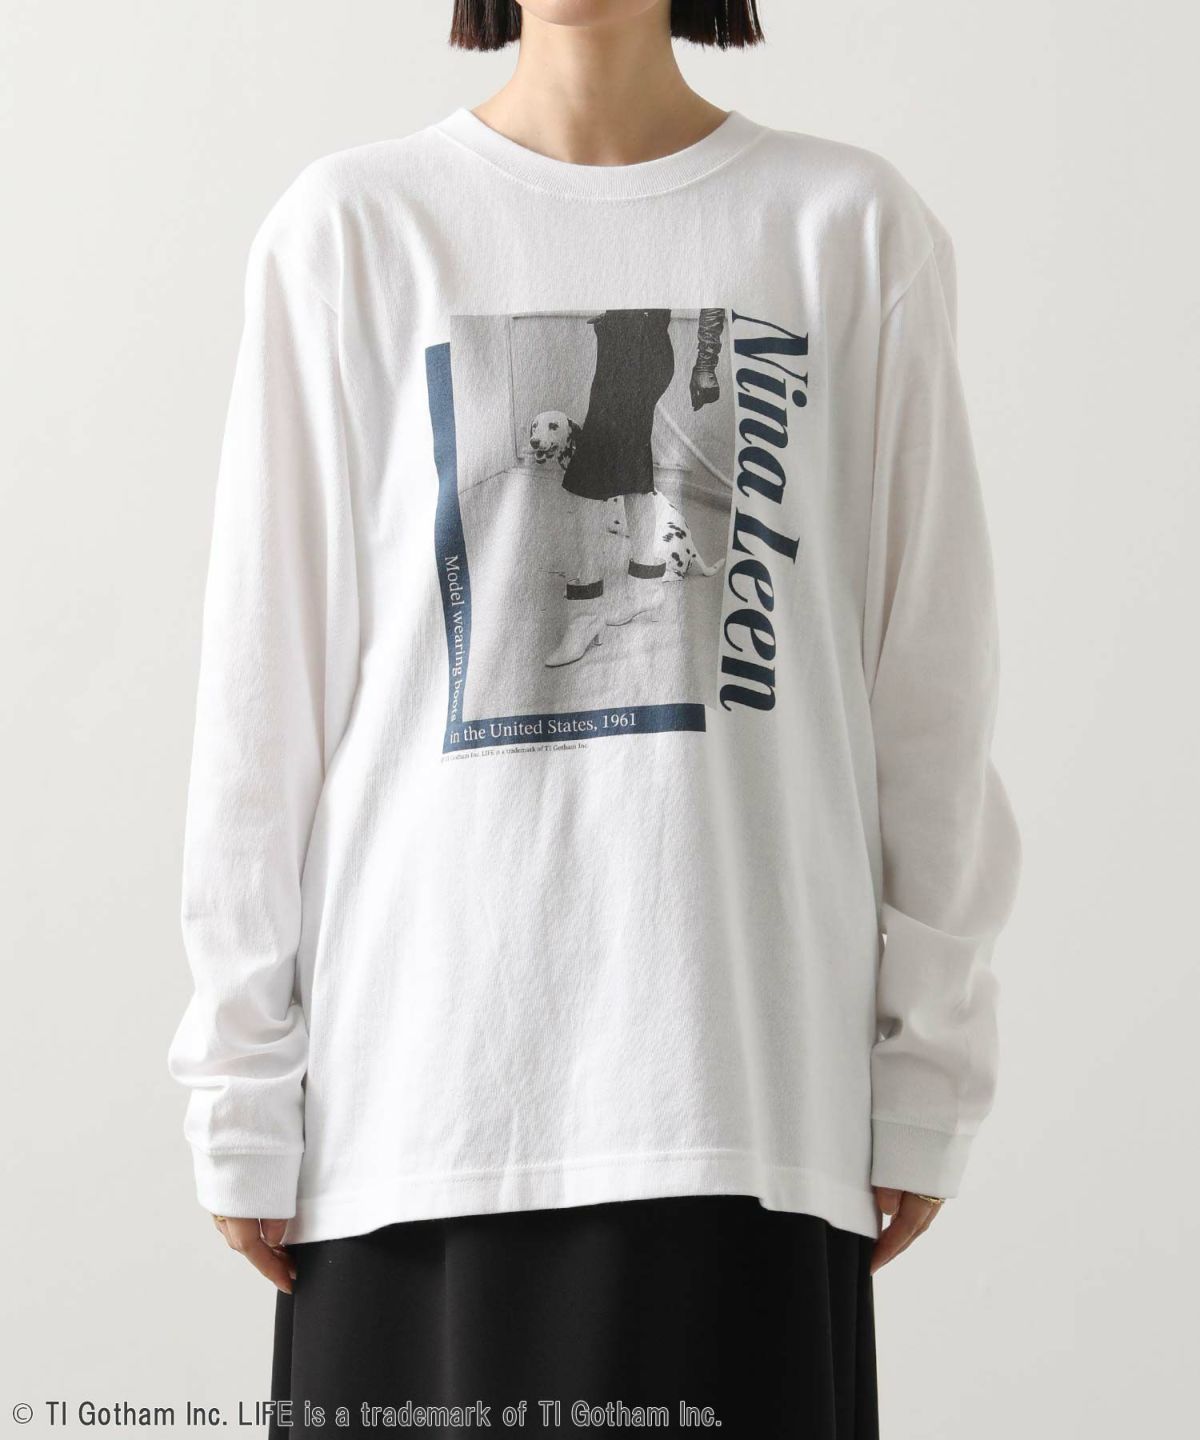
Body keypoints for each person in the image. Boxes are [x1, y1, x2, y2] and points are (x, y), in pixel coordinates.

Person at [167, 2, 1021, 1436]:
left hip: (738, 1103)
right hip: (420, 1121)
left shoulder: (849, 230)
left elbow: (929, 684)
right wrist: (242, 1074)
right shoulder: (354, 232)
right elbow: (263, 695)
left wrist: (927, 1057)